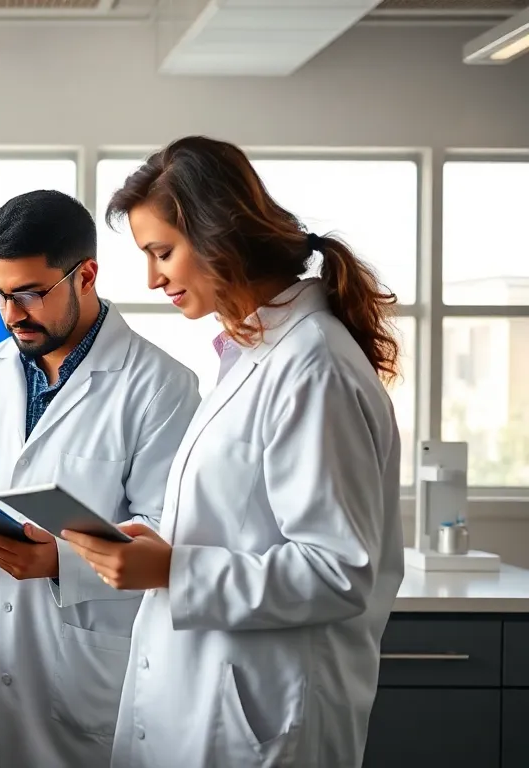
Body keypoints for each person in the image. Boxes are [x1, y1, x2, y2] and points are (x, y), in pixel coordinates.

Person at [66, 136, 405, 768]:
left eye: (162, 252)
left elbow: (338, 571)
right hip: (209, 702)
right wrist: (156, 544)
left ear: (220, 236)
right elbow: (243, 523)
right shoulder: (250, 354)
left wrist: (173, 571)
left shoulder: (314, 366)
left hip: (268, 719)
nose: (151, 278)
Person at [0, 190, 200, 768]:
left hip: (82, 679)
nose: (10, 314)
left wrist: (59, 562)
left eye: (28, 294)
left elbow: (164, 533)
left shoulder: (161, 385)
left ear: (86, 275)